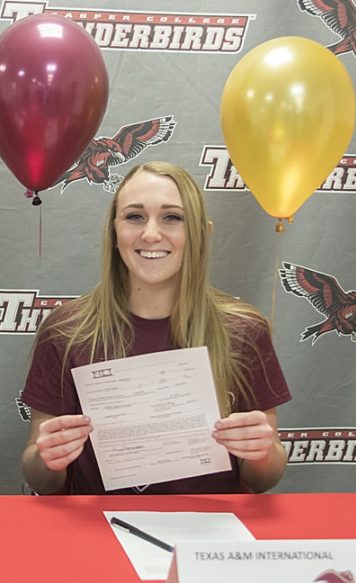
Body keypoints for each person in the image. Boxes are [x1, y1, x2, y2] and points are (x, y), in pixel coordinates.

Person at [20, 161, 291, 495]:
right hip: (97, 533)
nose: (150, 233)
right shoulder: (67, 331)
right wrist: (49, 458)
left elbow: (262, 479)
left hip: (208, 536)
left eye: (172, 218)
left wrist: (261, 453)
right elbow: (40, 479)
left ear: (201, 234)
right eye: (134, 216)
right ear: (114, 232)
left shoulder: (244, 331)